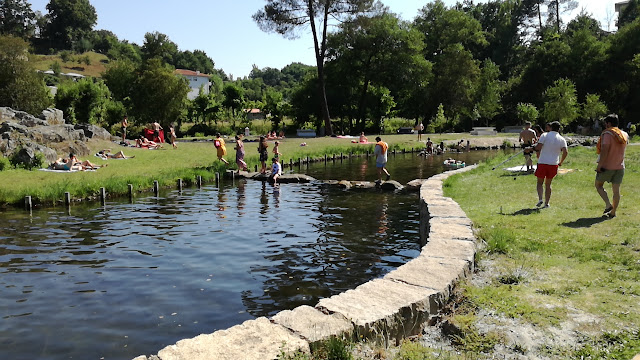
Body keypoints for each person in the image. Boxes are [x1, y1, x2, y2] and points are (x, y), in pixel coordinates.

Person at [595, 114, 629, 218]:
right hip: (620, 166)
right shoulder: (624, 134)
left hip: (607, 166)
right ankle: (613, 212)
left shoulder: (608, 134)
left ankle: (608, 204)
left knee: (598, 185)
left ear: (608, 123)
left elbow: (605, 150)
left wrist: (600, 165)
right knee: (616, 191)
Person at [533, 121, 568, 208]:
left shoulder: (544, 135)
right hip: (553, 163)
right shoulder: (562, 139)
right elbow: (565, 152)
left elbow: (538, 147)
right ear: (559, 129)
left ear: (550, 127)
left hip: (543, 162)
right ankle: (546, 203)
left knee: (539, 183)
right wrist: (561, 162)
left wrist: (531, 148)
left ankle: (540, 199)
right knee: (548, 184)